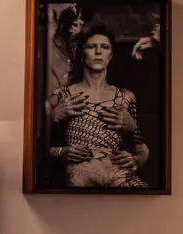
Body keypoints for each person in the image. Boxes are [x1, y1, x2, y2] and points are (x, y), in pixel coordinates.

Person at [47, 22, 148, 188]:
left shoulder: (126, 97)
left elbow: (141, 148)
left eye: (105, 47)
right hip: (80, 171)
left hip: (117, 170)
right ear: (81, 54)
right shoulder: (63, 96)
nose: (98, 52)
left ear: (111, 55)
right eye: (91, 46)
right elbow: (39, 146)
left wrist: (135, 159)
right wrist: (61, 150)